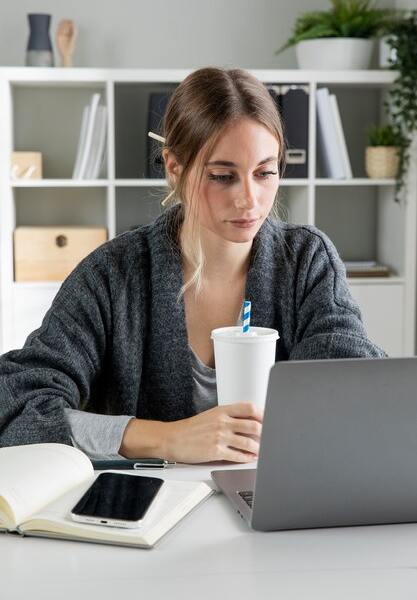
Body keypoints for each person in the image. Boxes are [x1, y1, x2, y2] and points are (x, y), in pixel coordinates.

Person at [0, 67, 385, 462]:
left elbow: (351, 385)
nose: (249, 200)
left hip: (272, 502)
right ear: (174, 167)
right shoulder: (112, 275)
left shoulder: (306, 261)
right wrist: (167, 438)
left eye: (266, 172)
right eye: (222, 176)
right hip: (144, 510)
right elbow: (17, 405)